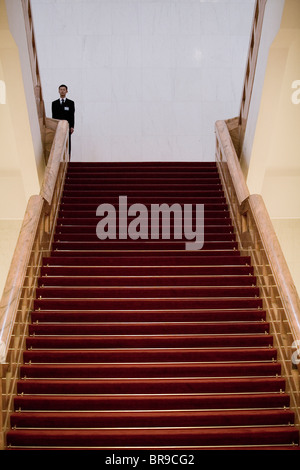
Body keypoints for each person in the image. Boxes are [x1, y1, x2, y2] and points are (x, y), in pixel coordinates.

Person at [52, 84, 75, 156]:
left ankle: (68, 158)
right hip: (58, 126)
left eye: (64, 90)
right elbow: (54, 116)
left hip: (67, 126)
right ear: (58, 91)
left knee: (68, 143)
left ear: (66, 91)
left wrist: (72, 126)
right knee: (58, 143)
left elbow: (72, 115)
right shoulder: (54, 103)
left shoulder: (71, 103)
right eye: (61, 90)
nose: (62, 91)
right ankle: (58, 158)